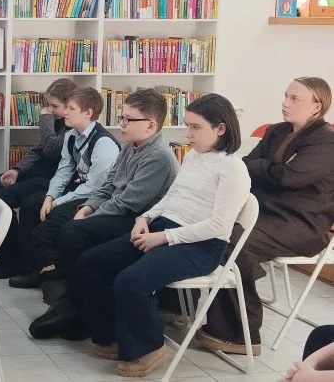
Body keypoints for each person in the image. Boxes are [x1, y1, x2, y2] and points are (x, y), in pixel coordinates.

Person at [72, 93, 249, 378]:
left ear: (220, 128)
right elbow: (171, 198)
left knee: (131, 281)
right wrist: (145, 218)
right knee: (91, 263)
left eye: (195, 127)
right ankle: (112, 335)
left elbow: (218, 226)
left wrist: (165, 237)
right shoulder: (193, 156)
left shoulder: (233, 169)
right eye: (188, 125)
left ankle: (150, 348)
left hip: (201, 246)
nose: (188, 133)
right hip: (166, 228)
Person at [198, 77, 334, 357]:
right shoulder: (276, 131)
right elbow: (245, 166)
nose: (285, 103)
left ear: (316, 107)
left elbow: (288, 177)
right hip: (267, 211)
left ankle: (240, 334)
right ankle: (175, 305)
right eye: (286, 96)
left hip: (302, 224)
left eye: (295, 99)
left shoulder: (326, 141)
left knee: (233, 239)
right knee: (202, 222)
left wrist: (266, 167)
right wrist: (270, 167)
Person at [28, 89, 180, 339]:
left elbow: (128, 202)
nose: (121, 124)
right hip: (119, 212)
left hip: (140, 221)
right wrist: (88, 207)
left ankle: (77, 307)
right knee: (67, 227)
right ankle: (75, 303)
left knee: (72, 233)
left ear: (151, 125)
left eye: (128, 119)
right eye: (122, 117)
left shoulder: (159, 157)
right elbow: (108, 185)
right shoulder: (130, 146)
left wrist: (91, 216)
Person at [9, 86, 120, 289]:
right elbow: (63, 171)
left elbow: (94, 188)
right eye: (66, 107)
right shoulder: (71, 136)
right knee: (31, 204)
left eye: (71, 108)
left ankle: (51, 271)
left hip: (96, 197)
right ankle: (29, 264)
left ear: (88, 113)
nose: (65, 112)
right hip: (78, 188)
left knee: (46, 226)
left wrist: (58, 202)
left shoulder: (104, 143)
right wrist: (50, 196)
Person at [0, 77, 77, 279]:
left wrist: (46, 120)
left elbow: (51, 149)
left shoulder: (72, 126)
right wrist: (17, 169)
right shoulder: (56, 120)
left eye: (54, 106)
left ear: (70, 105)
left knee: (1, 198)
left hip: (51, 179)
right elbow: (38, 150)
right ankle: (2, 246)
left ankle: (16, 257)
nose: (49, 110)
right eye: (47, 105)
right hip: (33, 172)